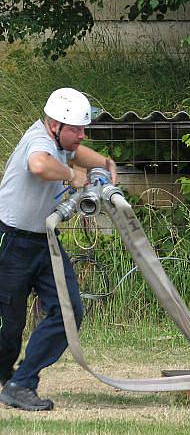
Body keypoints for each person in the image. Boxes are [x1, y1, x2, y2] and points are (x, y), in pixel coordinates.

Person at [0, 87, 117, 411]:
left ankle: (21, 383)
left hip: (44, 241)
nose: (82, 135)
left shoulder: (61, 142)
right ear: (55, 125)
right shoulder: (40, 141)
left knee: (69, 311)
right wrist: (71, 176)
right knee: (8, 325)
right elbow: (39, 165)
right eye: (76, 129)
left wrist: (106, 164)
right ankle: (8, 378)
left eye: (84, 129)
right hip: (11, 242)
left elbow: (79, 153)